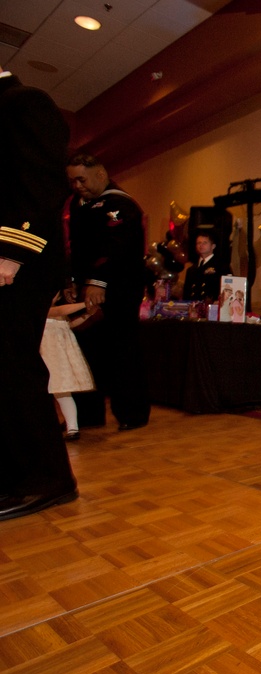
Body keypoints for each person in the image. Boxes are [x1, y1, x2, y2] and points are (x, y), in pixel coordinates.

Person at [0, 65, 80, 521]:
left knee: (13, 365)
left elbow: (40, 183)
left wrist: (12, 249)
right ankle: (15, 474)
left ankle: (47, 477)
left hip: (15, 261)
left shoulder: (23, 101)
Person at [65, 152, 150, 431]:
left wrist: (97, 282)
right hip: (88, 288)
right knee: (87, 351)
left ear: (100, 174)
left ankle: (132, 415)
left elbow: (115, 248)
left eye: (82, 179)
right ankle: (89, 416)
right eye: (72, 180)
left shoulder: (119, 204)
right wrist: (74, 281)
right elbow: (78, 251)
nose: (77, 185)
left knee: (122, 350)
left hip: (119, 289)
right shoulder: (79, 206)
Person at [41, 296, 96, 440]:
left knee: (63, 392)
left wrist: (88, 314)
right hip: (48, 354)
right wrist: (87, 303)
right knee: (55, 392)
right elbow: (59, 310)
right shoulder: (42, 309)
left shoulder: (59, 312)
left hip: (61, 355)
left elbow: (69, 324)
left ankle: (72, 428)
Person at [182, 231, 229, 301]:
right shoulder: (191, 269)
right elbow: (186, 294)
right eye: (199, 243)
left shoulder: (221, 266)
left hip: (212, 307)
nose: (201, 245)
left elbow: (228, 288)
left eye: (205, 243)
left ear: (213, 246)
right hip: (193, 307)